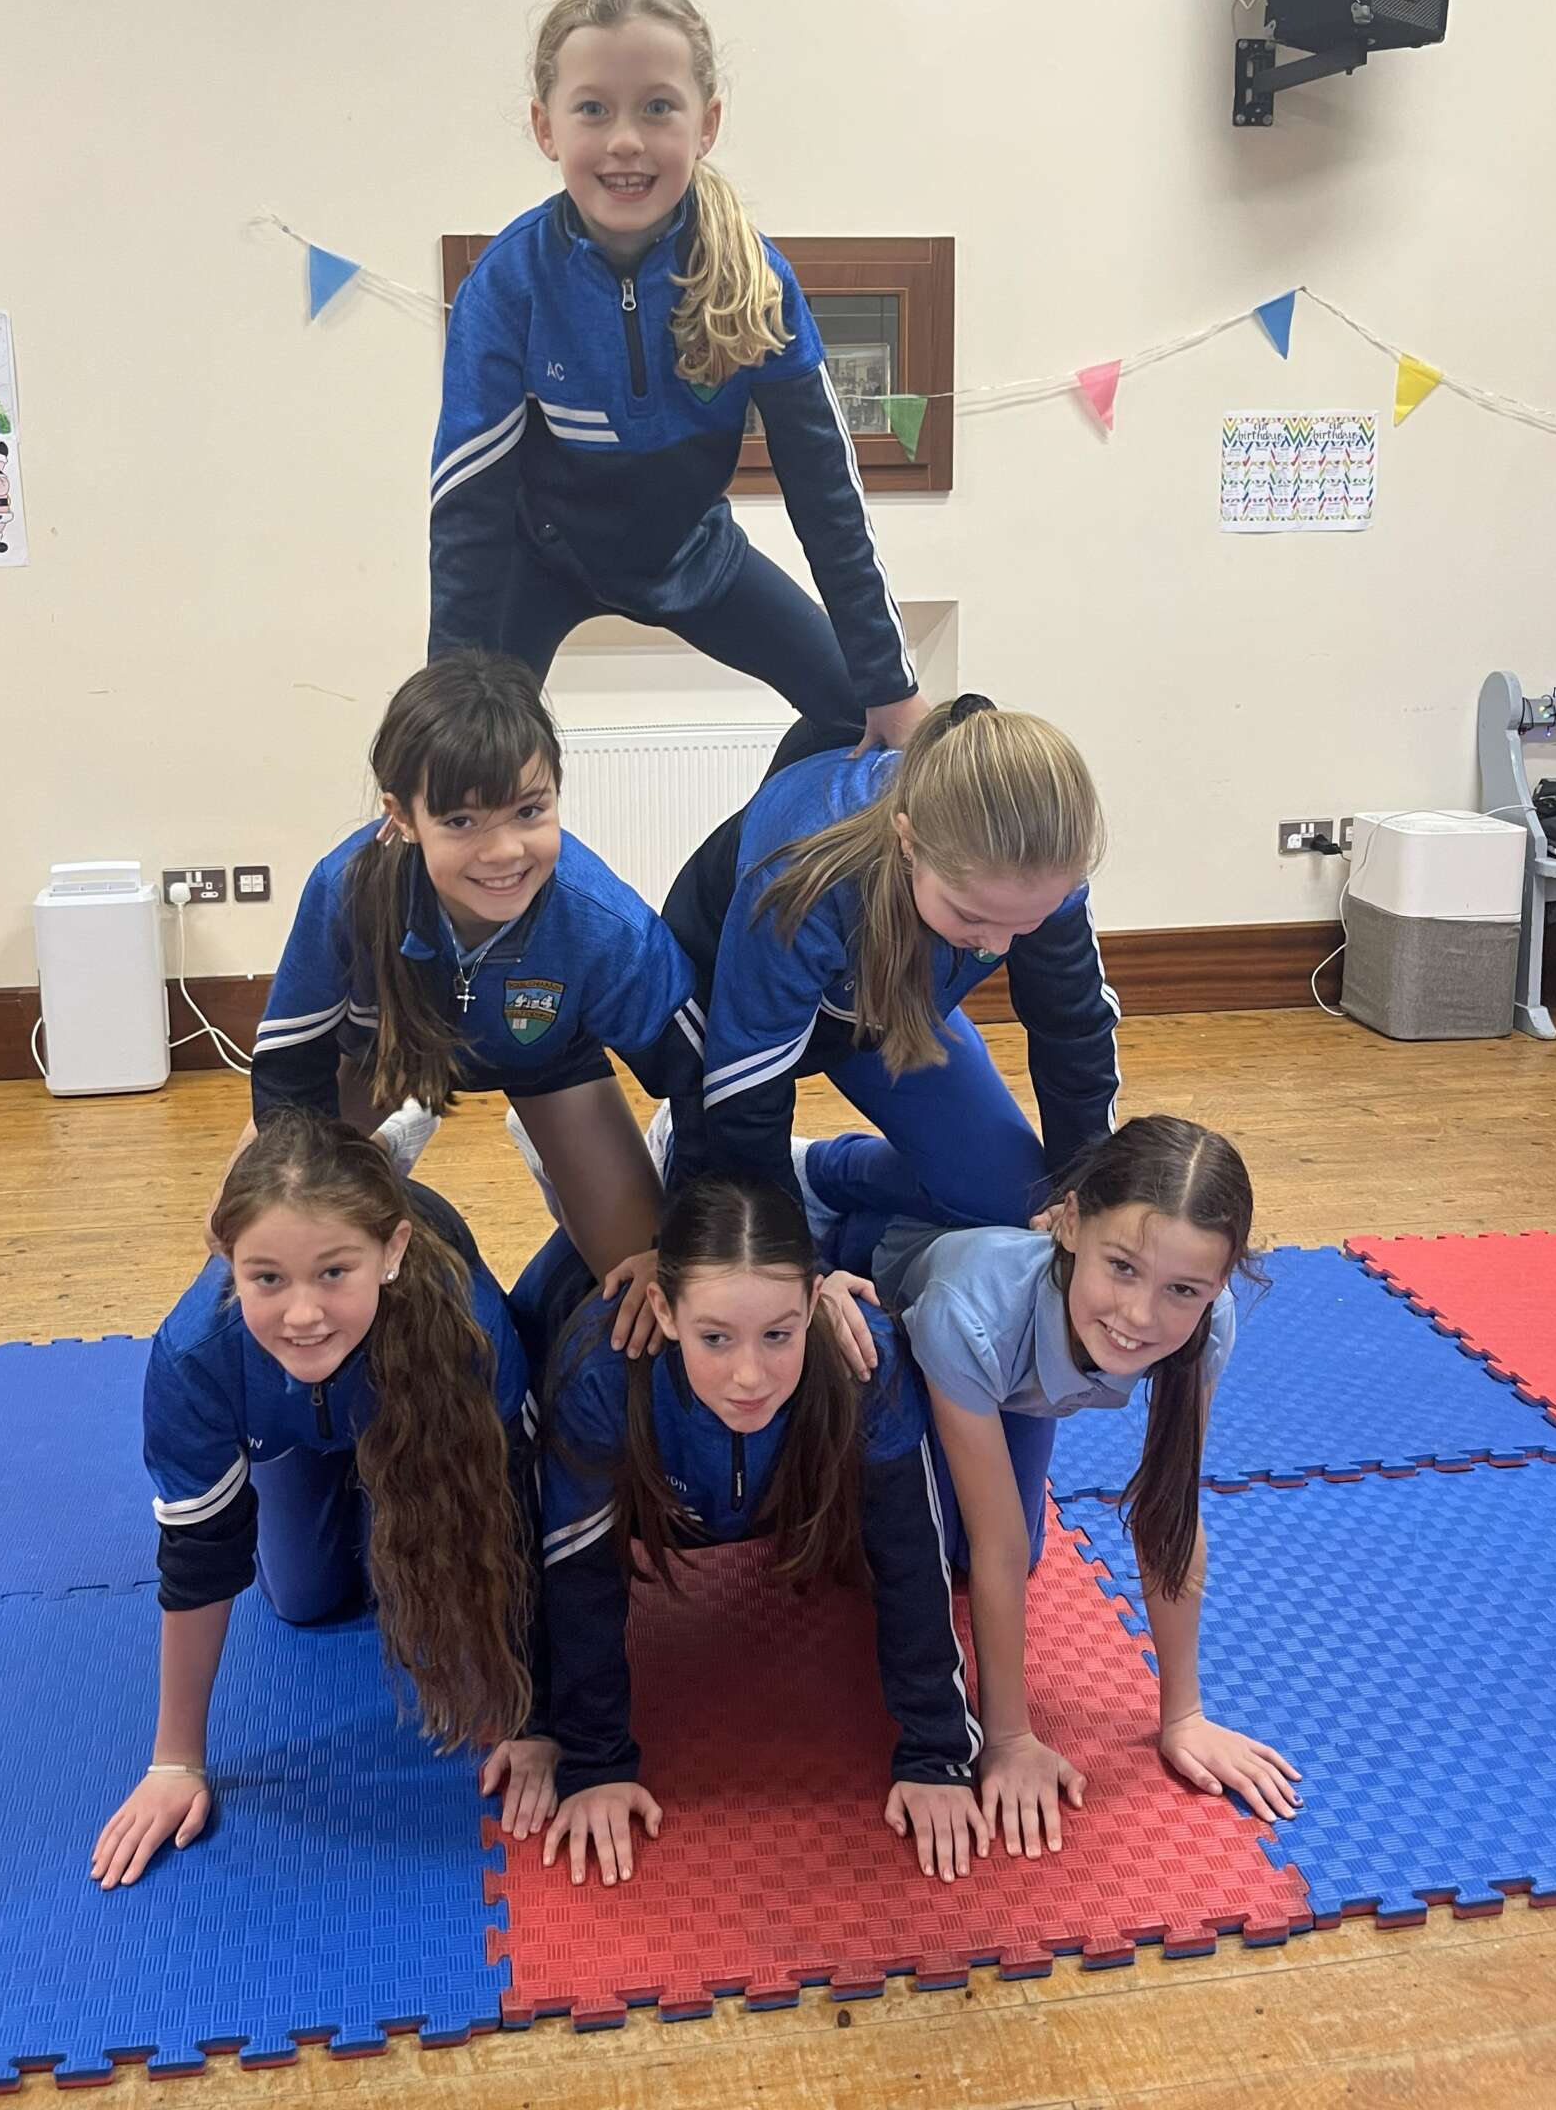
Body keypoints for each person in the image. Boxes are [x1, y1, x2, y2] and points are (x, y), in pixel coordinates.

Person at [428, 0, 925, 750]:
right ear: (546, 127)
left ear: (707, 123)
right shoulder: (509, 284)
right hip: (540, 561)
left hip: (691, 555)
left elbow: (827, 491)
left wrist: (891, 686)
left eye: (658, 107)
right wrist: (443, 715)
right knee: (464, 755)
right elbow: (467, 509)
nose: (625, 140)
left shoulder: (756, 282)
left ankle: (746, 842)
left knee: (860, 714)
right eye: (593, 109)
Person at [90, 1110, 555, 1889]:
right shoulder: (196, 1355)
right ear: (228, 1261)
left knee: (428, 1574)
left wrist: (533, 1717)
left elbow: (517, 1516)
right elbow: (199, 1558)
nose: (301, 1312)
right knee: (305, 1599)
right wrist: (175, 1761)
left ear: (391, 1253)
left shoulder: (467, 1328)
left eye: (333, 1272)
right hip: (286, 1421)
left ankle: (380, 1164)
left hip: (409, 1397)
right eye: (267, 1278)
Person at [829, 1114, 1301, 1860]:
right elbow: (995, 1541)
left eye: (1182, 1289)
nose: (1141, 1315)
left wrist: (1183, 1714)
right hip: (870, 1279)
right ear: (1071, 1223)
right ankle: (805, 1163)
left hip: (1012, 1378)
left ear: (1219, 1284)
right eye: (1123, 1267)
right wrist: (1008, 1738)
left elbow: (1171, 1509)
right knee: (926, 1555)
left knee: (1011, 1555)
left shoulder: (1208, 1324)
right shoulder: (970, 1315)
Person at [533, 1174, 986, 1890]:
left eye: (778, 1334)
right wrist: (593, 1765)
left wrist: (938, 1756)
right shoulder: (601, 1369)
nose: (749, 1375)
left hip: (779, 1497)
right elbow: (576, 1577)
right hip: (657, 1491)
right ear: (665, 1311)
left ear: (814, 1302)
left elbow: (911, 1561)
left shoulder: (865, 1360)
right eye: (715, 1337)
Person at [242, 651, 705, 1352]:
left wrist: (694, 1234)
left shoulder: (600, 921)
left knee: (657, 1289)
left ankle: (542, 1149)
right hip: (384, 1059)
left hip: (548, 1064)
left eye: (529, 811)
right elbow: (289, 1070)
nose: (503, 851)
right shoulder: (347, 889)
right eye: (461, 821)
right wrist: (306, 1204)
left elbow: (699, 1078)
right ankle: (391, 1138)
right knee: (246, 1230)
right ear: (402, 817)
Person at [664, 695, 1120, 1277]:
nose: (997, 944)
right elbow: (748, 1081)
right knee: (731, 1235)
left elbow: (1074, 1030)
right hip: (731, 1026)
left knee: (1020, 1207)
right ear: (908, 842)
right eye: (972, 916)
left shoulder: (1046, 877)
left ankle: (821, 1179)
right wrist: (795, 1263)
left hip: (885, 1009)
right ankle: (699, 1154)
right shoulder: (804, 871)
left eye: (1025, 923)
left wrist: (1083, 1189)